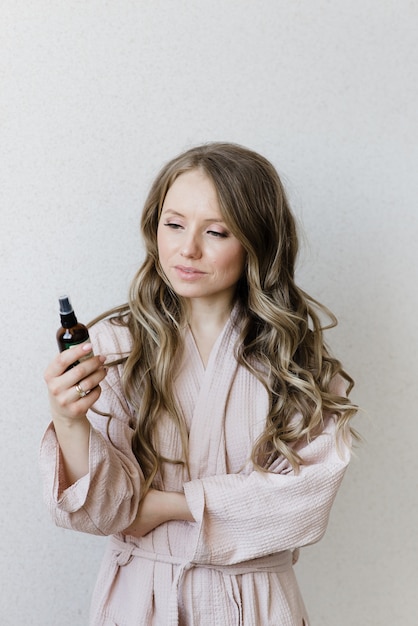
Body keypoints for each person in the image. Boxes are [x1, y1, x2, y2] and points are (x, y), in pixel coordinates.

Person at [41, 142, 358, 626]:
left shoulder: (297, 361)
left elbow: (300, 505)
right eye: (173, 224)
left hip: (259, 604)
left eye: (216, 231)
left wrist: (171, 504)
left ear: (257, 240)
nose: (187, 249)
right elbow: (104, 512)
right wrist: (69, 420)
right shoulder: (113, 348)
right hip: (142, 601)